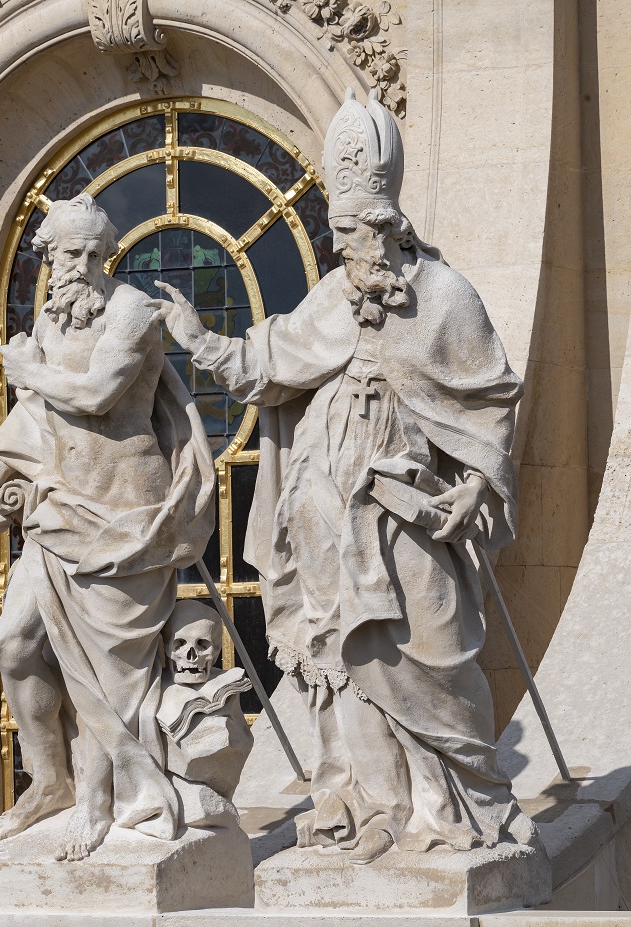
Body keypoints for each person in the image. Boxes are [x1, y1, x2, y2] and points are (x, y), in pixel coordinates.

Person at [148, 88, 537, 864]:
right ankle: (374, 808)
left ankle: (456, 804)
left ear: (388, 229)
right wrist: (196, 335)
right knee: (344, 669)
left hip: (408, 519)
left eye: (353, 231)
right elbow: (266, 363)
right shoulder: (335, 297)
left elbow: (491, 402)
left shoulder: (447, 299)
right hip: (327, 521)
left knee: (432, 657)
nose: (342, 246)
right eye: (338, 232)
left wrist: (477, 488)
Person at [0, 194, 215, 861]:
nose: (83, 265)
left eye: (94, 253)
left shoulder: (131, 311)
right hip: (56, 512)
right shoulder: (50, 324)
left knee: (113, 676)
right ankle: (50, 782)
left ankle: (100, 805)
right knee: (14, 646)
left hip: (124, 515)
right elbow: (32, 422)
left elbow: (97, 395)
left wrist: (27, 371)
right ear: (49, 258)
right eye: (69, 253)